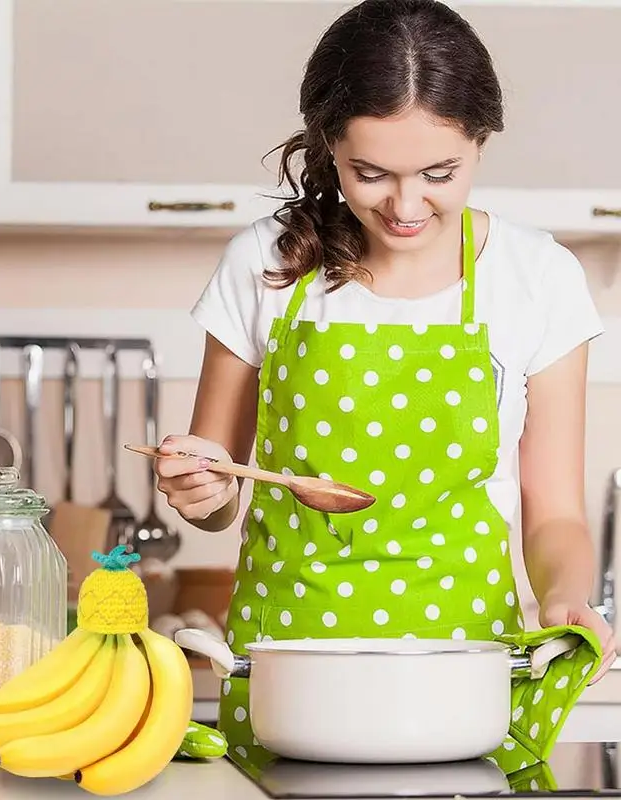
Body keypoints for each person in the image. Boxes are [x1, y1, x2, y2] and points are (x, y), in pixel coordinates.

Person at [153, 0, 617, 746]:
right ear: (328, 145)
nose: (405, 206)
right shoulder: (265, 262)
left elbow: (555, 509)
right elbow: (216, 495)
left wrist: (566, 595)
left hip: (464, 671)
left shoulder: (538, 277)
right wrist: (197, 485)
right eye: (370, 173)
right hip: (287, 673)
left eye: (440, 172)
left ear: (481, 141)